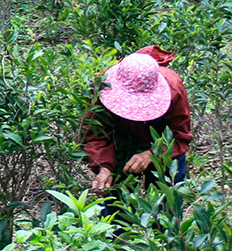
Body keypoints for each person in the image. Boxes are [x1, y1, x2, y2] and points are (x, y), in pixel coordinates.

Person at [82, 46, 191, 204]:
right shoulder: (102, 86)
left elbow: (179, 137)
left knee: (167, 208)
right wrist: (104, 166)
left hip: (161, 142)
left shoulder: (173, 89)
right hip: (122, 140)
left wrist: (152, 154)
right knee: (117, 206)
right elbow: (96, 134)